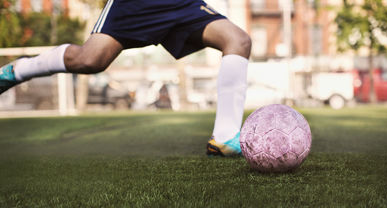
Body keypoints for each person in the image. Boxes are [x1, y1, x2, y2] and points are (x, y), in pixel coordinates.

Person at [0, 0, 251, 157]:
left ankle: (224, 138)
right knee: (90, 59)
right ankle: (16, 71)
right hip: (135, 4)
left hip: (181, 3)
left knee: (238, 40)